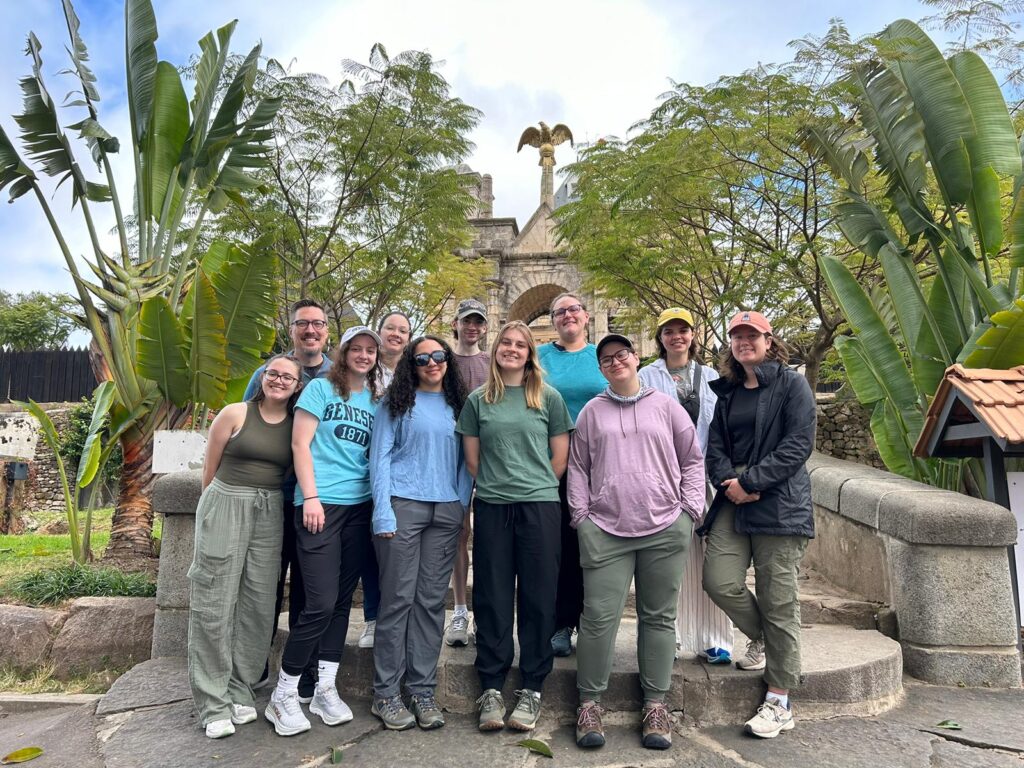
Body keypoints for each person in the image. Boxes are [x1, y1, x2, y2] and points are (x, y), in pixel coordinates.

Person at [569, 335, 705, 750]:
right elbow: (577, 467)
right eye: (606, 359)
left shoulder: (666, 406)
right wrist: (582, 519)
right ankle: (590, 703)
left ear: (635, 357)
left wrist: (689, 513)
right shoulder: (592, 412)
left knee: (659, 617)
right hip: (606, 530)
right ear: (601, 367)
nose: (615, 362)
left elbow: (692, 459)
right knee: (597, 618)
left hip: (664, 527)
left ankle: (655, 705)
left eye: (622, 354)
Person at [701, 310, 816, 739]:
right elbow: (713, 448)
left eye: (753, 335)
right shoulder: (729, 392)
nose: (744, 341)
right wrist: (729, 482)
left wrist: (751, 481)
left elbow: (798, 444)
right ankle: (767, 637)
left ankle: (779, 699)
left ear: (770, 340)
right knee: (719, 580)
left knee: (779, 596)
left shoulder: (792, 384)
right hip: (734, 495)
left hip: (780, 501)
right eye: (737, 335)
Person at [265, 326, 382, 737]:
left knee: (338, 604)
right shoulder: (319, 389)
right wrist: (310, 496)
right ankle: (284, 693)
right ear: (344, 351)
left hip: (359, 507)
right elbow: (301, 444)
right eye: (358, 349)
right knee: (317, 601)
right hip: (319, 504)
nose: (364, 356)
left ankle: (325, 688)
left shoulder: (374, 399)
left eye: (371, 350)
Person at [456, 321, 573, 733]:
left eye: (520, 344)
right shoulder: (478, 400)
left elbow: (560, 458)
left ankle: (532, 687)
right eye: (505, 342)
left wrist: (534, 484)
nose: (511, 349)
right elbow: (473, 460)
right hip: (492, 506)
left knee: (540, 596)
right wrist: (500, 486)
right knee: (492, 593)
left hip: (540, 506)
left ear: (529, 353)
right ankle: (490, 685)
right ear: (495, 349)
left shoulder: (548, 397)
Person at [189, 354, 303, 739]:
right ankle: (211, 700)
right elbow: (210, 469)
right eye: (274, 373)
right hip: (227, 500)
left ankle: (240, 687)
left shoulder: (295, 425)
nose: (279, 380)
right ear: (263, 377)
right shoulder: (235, 413)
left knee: (257, 601)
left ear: (297, 385)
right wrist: (212, 513)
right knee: (214, 599)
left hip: (269, 508)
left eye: (288, 377)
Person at [368, 336, 473, 730]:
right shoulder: (395, 404)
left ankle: (423, 689)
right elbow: (378, 458)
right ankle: (387, 694)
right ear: (411, 364)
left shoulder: (460, 405)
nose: (432, 363)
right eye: (422, 358)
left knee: (430, 602)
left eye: (439, 356)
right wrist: (382, 511)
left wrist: (460, 504)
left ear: (448, 360)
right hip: (402, 506)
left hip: (445, 511)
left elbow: (466, 461)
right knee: (397, 601)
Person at [243, 299, 332, 700]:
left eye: (317, 324)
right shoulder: (268, 373)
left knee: (308, 591)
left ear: (327, 330)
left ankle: (301, 673)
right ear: (291, 328)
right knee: (264, 583)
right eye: (303, 324)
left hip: (317, 498)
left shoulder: (338, 374)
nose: (310, 331)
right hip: (271, 495)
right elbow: (244, 423)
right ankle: (254, 664)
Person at [638, 308, 733, 664]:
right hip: (663, 483)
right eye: (669, 331)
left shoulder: (711, 377)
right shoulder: (646, 377)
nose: (676, 336)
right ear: (660, 337)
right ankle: (671, 636)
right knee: (667, 562)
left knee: (713, 560)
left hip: (707, 481)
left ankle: (715, 639)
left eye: (683, 330)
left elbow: (722, 431)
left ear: (693, 335)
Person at [537, 293, 606, 657]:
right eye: (560, 311)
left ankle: (592, 622)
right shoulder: (542, 357)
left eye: (573, 309)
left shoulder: (601, 355)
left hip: (600, 465)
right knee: (561, 546)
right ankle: (561, 622)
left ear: (586, 316)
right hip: (555, 464)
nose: (567, 315)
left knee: (594, 546)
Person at [358, 310, 414, 650]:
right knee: (368, 549)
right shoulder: (365, 371)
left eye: (403, 330)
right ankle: (372, 617)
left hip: (398, 472)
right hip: (359, 467)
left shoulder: (411, 373)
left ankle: (396, 618)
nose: (396, 334)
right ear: (379, 333)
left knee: (392, 549)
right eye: (390, 328)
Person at [446, 298, 490, 647]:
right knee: (459, 532)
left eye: (478, 321)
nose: (472, 327)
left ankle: (484, 611)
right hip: (450, 455)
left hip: (489, 455)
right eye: (466, 321)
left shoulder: (492, 362)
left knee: (488, 536)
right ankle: (459, 608)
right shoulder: (442, 361)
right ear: (456, 324)